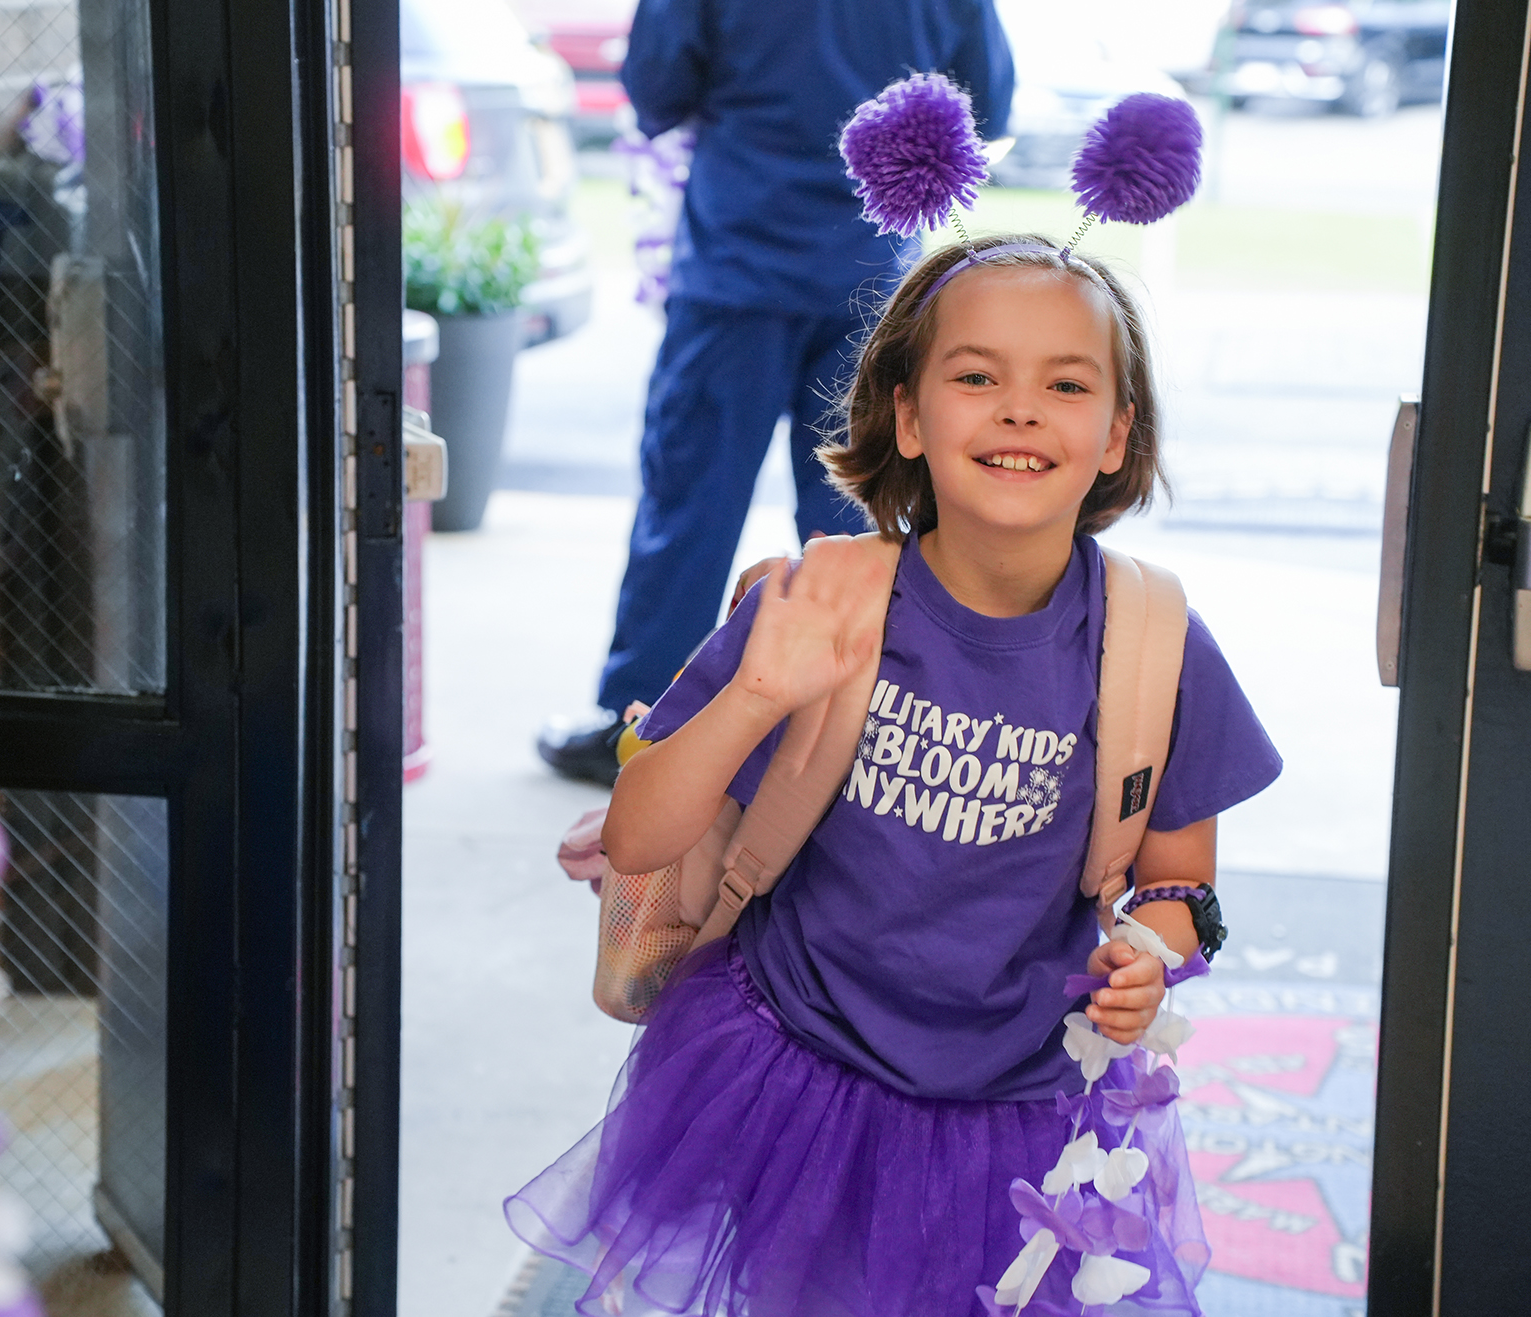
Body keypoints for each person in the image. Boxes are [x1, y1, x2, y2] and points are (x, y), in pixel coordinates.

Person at [506, 234, 1282, 1315]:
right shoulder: (818, 600)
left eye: (1064, 384)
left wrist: (1152, 959)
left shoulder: (1154, 642)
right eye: (976, 377)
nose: (1019, 410)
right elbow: (638, 838)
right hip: (796, 1078)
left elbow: (1178, 885)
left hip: (1021, 1115)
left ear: (1115, 436)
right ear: (909, 418)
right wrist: (754, 696)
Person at [536, 0, 1015, 786]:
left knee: (690, 503)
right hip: (871, 274)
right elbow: (986, 101)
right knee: (858, 516)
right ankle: (855, 733)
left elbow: (655, 87)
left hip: (738, 259)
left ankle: (640, 721)